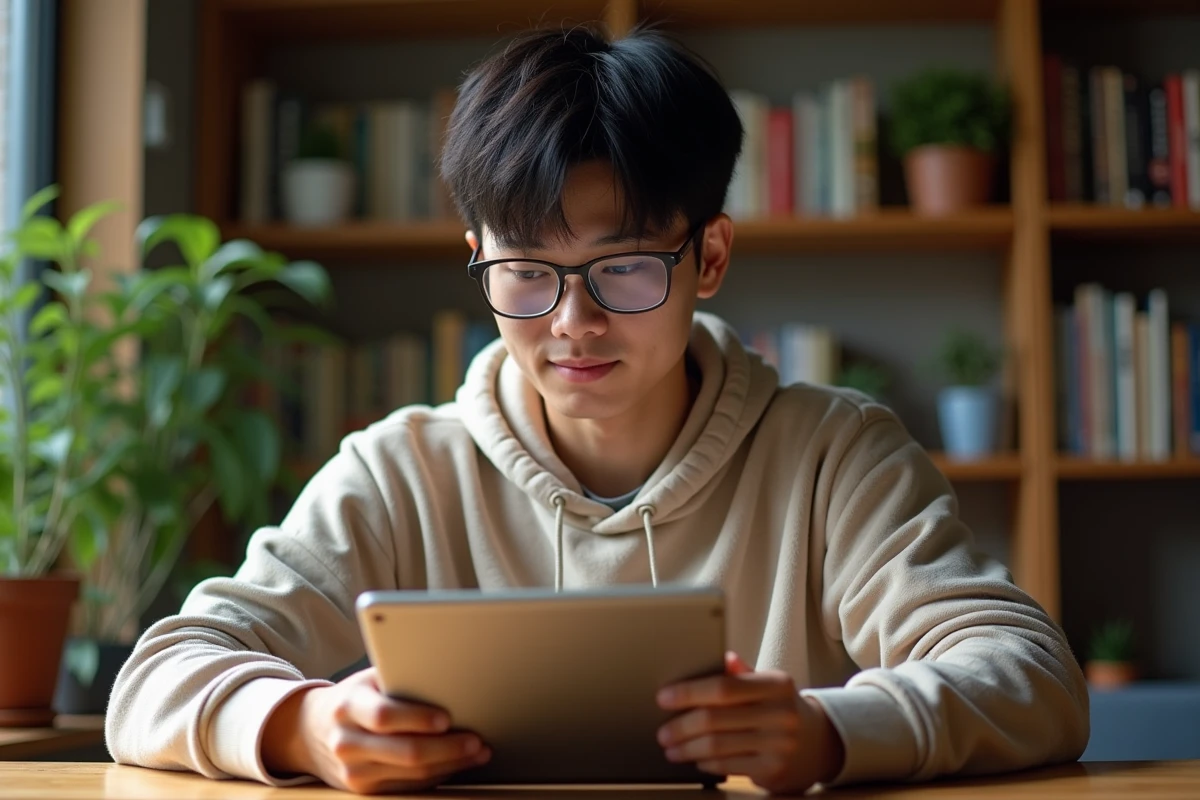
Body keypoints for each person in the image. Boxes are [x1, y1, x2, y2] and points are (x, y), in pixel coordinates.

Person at [106, 24, 1089, 796]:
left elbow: (1032, 675)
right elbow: (156, 676)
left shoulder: (837, 453)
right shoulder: (398, 470)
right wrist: (303, 726)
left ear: (708, 256)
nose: (571, 322)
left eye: (621, 267)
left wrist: (831, 729)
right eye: (526, 272)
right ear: (478, 261)